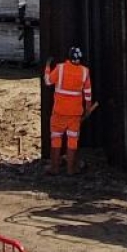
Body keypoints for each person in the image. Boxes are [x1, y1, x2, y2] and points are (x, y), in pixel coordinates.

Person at [44, 47, 93, 175]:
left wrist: (48, 67)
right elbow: (87, 93)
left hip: (59, 112)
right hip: (75, 114)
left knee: (56, 138)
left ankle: (54, 168)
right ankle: (71, 170)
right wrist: (88, 108)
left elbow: (48, 81)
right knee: (72, 141)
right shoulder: (84, 72)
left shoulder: (60, 69)